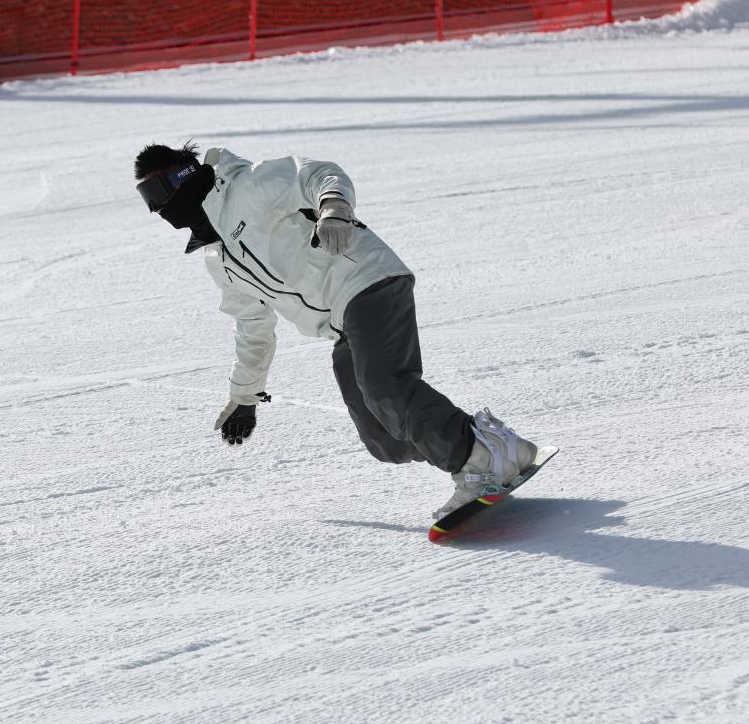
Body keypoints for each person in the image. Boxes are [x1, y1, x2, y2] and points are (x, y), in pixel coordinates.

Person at [135, 142, 541, 524]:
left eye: (156, 194)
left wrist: (333, 209)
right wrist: (245, 397)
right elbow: (252, 326)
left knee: (387, 389)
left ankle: (478, 461)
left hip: (365, 280)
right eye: (147, 202)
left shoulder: (246, 185)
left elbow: (317, 174)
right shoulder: (218, 258)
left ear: (182, 175)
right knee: (383, 439)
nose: (157, 211)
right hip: (341, 324)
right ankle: (496, 444)